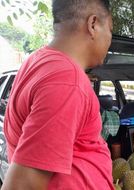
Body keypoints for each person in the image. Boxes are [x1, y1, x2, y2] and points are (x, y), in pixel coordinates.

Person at [2, 0, 114, 189]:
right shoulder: (67, 80)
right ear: (93, 24)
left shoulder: (37, 60)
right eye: (110, 29)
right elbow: (23, 185)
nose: (110, 38)